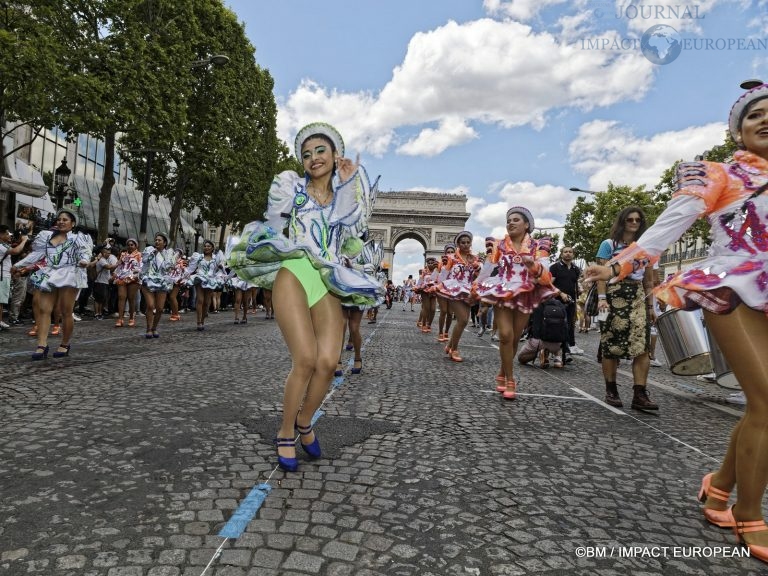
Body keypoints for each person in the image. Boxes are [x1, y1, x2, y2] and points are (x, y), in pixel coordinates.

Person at [584, 82, 768, 562]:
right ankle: (751, 515)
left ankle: (719, 487)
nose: (765, 121)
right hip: (729, 285)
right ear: (739, 130)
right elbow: (669, 224)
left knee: (761, 406)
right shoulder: (719, 175)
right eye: (755, 116)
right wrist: (620, 263)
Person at [227, 122, 382, 472]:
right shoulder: (291, 187)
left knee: (328, 363)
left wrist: (348, 183)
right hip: (295, 273)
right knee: (306, 360)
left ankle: (304, 421)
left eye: (320, 151)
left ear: (334, 154)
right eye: (307, 154)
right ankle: (284, 431)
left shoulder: (345, 192)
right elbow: (274, 220)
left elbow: (354, 230)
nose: (313, 158)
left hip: (326, 278)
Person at [475, 207, 556, 399]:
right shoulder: (498, 245)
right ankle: (510, 379)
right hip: (502, 290)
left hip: (525, 292)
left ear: (527, 224)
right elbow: (487, 269)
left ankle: (502, 372)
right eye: (508, 220)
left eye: (516, 220)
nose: (510, 222)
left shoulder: (539, 247)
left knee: (514, 337)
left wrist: (533, 265)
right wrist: (477, 288)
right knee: (505, 335)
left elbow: (546, 274)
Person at [593, 206, 658, 411]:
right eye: (629, 219)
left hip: (637, 295)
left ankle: (640, 394)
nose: (633, 223)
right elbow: (601, 275)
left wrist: (651, 306)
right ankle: (611, 390)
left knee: (642, 346)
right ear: (622, 221)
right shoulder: (608, 244)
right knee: (609, 344)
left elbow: (649, 281)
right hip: (612, 295)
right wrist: (601, 299)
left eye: (637, 220)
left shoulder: (646, 248)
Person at [11, 209, 92, 359]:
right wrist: (19, 265)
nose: (61, 221)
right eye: (59, 219)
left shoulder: (77, 238)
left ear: (73, 223)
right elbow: (36, 255)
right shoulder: (47, 237)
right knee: (43, 309)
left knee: (65, 312)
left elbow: (85, 253)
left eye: (65, 220)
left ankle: (64, 344)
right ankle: (42, 345)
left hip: (70, 273)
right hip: (49, 273)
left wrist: (84, 261)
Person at [435, 231, 480, 362]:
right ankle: (454, 349)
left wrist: (478, 270)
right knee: (463, 320)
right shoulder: (451, 258)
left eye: (468, 242)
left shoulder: (475, 258)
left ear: (471, 243)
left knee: (463, 320)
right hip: (453, 289)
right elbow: (444, 274)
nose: (466, 245)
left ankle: (449, 345)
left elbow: (478, 276)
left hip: (468, 290)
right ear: (458, 244)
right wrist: (438, 287)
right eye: (462, 242)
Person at [549, 246, 583, 358]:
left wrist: (579, 290)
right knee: (559, 324)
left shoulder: (575, 269)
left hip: (571, 301)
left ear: (573, 254)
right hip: (557, 301)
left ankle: (571, 345)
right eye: (565, 252)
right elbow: (549, 284)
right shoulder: (555, 267)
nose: (568, 254)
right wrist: (561, 294)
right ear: (561, 254)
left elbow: (576, 283)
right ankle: (558, 348)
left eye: (570, 252)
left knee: (570, 324)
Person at [140, 233, 175, 338]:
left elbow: (168, 267)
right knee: (150, 305)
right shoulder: (149, 250)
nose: (157, 242)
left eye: (159, 240)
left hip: (162, 281)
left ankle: (154, 328)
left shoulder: (168, 254)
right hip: (148, 279)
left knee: (159, 308)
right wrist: (152, 254)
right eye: (156, 240)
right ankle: (148, 328)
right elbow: (144, 260)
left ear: (164, 243)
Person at [186, 240, 225, 331]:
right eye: (205, 246)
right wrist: (184, 275)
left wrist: (221, 268)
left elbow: (222, 271)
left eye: (208, 246)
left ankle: (203, 320)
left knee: (206, 302)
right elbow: (191, 268)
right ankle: (198, 322)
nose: (206, 248)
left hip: (210, 280)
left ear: (212, 248)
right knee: (200, 300)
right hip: (200, 279)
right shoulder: (199, 257)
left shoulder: (216, 258)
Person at [0, 224, 30, 329]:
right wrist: (24, 241)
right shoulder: (1, 246)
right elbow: (16, 251)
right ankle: (9, 319)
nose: (9, 235)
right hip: (2, 275)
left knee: (2, 300)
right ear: (1, 234)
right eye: (7, 233)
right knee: (2, 300)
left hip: (6, 275)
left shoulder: (5, 244)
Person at [113, 239, 141, 327]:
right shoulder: (123, 254)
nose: (130, 246)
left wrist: (134, 276)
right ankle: (120, 319)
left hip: (134, 278)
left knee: (131, 298)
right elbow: (119, 265)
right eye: (128, 245)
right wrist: (115, 273)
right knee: (121, 297)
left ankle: (131, 317)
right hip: (122, 277)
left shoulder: (139, 255)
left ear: (136, 246)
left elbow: (141, 267)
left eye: (132, 245)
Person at [89, 244, 117, 320]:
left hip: (104, 282)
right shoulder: (101, 260)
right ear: (104, 253)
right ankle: (97, 314)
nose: (109, 254)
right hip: (99, 282)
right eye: (108, 253)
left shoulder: (104, 260)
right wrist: (118, 264)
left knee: (102, 299)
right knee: (98, 299)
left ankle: (100, 313)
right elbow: (108, 267)